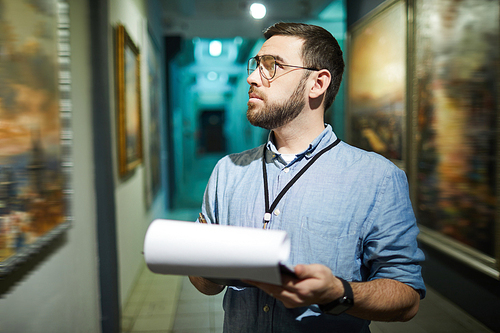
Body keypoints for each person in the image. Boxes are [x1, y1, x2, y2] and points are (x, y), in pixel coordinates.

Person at [189, 22, 425, 333]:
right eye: (256, 65)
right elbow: (206, 286)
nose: (252, 77)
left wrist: (338, 293)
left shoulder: (377, 178)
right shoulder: (227, 172)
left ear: (317, 83)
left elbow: (406, 298)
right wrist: (197, 258)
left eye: (271, 66)